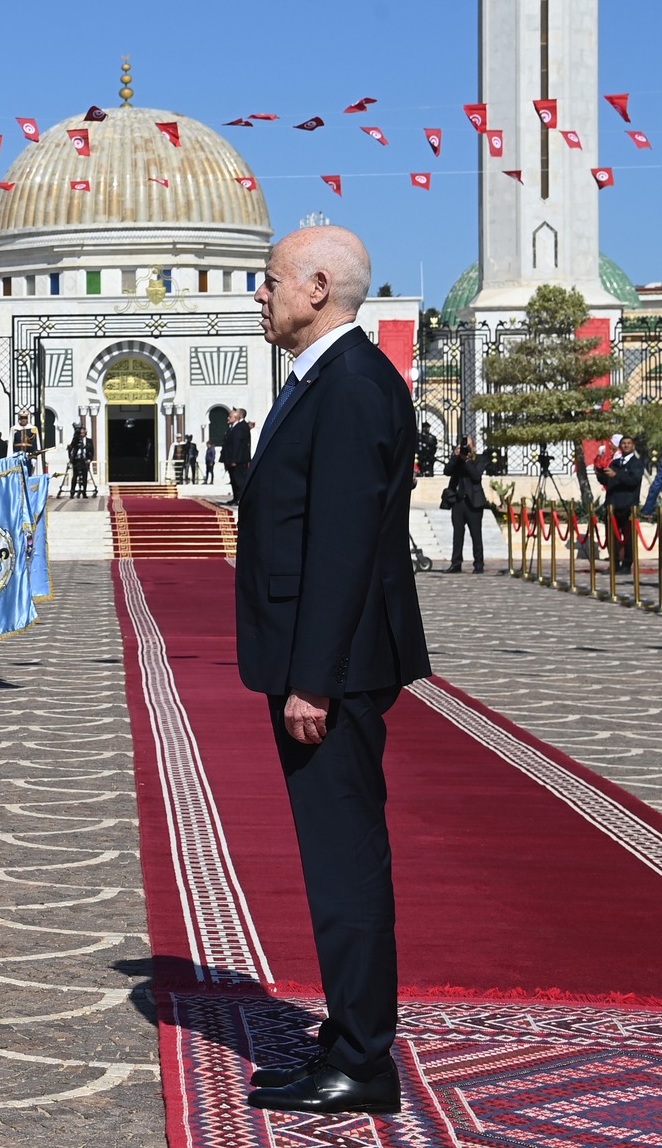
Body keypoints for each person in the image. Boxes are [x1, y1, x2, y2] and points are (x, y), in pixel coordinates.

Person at [235, 224, 429, 1117]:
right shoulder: (331, 378)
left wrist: (312, 677)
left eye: (270, 281)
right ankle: (344, 1040)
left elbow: (344, 546)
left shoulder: (348, 385)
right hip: (329, 660)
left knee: (346, 861)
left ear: (316, 286)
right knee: (335, 859)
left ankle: (362, 1057)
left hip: (335, 671)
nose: (260, 295)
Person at [598, 434, 644, 574]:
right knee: (612, 537)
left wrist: (617, 475)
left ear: (633, 445)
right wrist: (600, 473)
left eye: (628, 443)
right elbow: (609, 481)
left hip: (628, 505)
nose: (625, 445)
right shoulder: (615, 463)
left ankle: (626, 564)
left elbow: (633, 481)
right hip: (613, 506)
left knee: (628, 537)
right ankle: (614, 563)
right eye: (623, 443)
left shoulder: (636, 463)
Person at [443, 437, 489, 574]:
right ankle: (456, 563)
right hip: (458, 501)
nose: (466, 449)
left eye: (468, 447)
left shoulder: (479, 459)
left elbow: (476, 477)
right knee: (457, 534)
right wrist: (456, 457)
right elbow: (447, 471)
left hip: (473, 502)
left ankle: (479, 564)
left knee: (476, 534)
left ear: (474, 448)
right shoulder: (457, 460)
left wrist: (467, 461)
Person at [222, 408, 253, 505]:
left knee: (239, 480)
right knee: (234, 480)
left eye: (230, 416)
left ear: (236, 417)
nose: (228, 418)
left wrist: (234, 459)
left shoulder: (240, 427)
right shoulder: (234, 427)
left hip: (238, 460)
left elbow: (237, 445)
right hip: (232, 458)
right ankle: (236, 498)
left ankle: (240, 498)